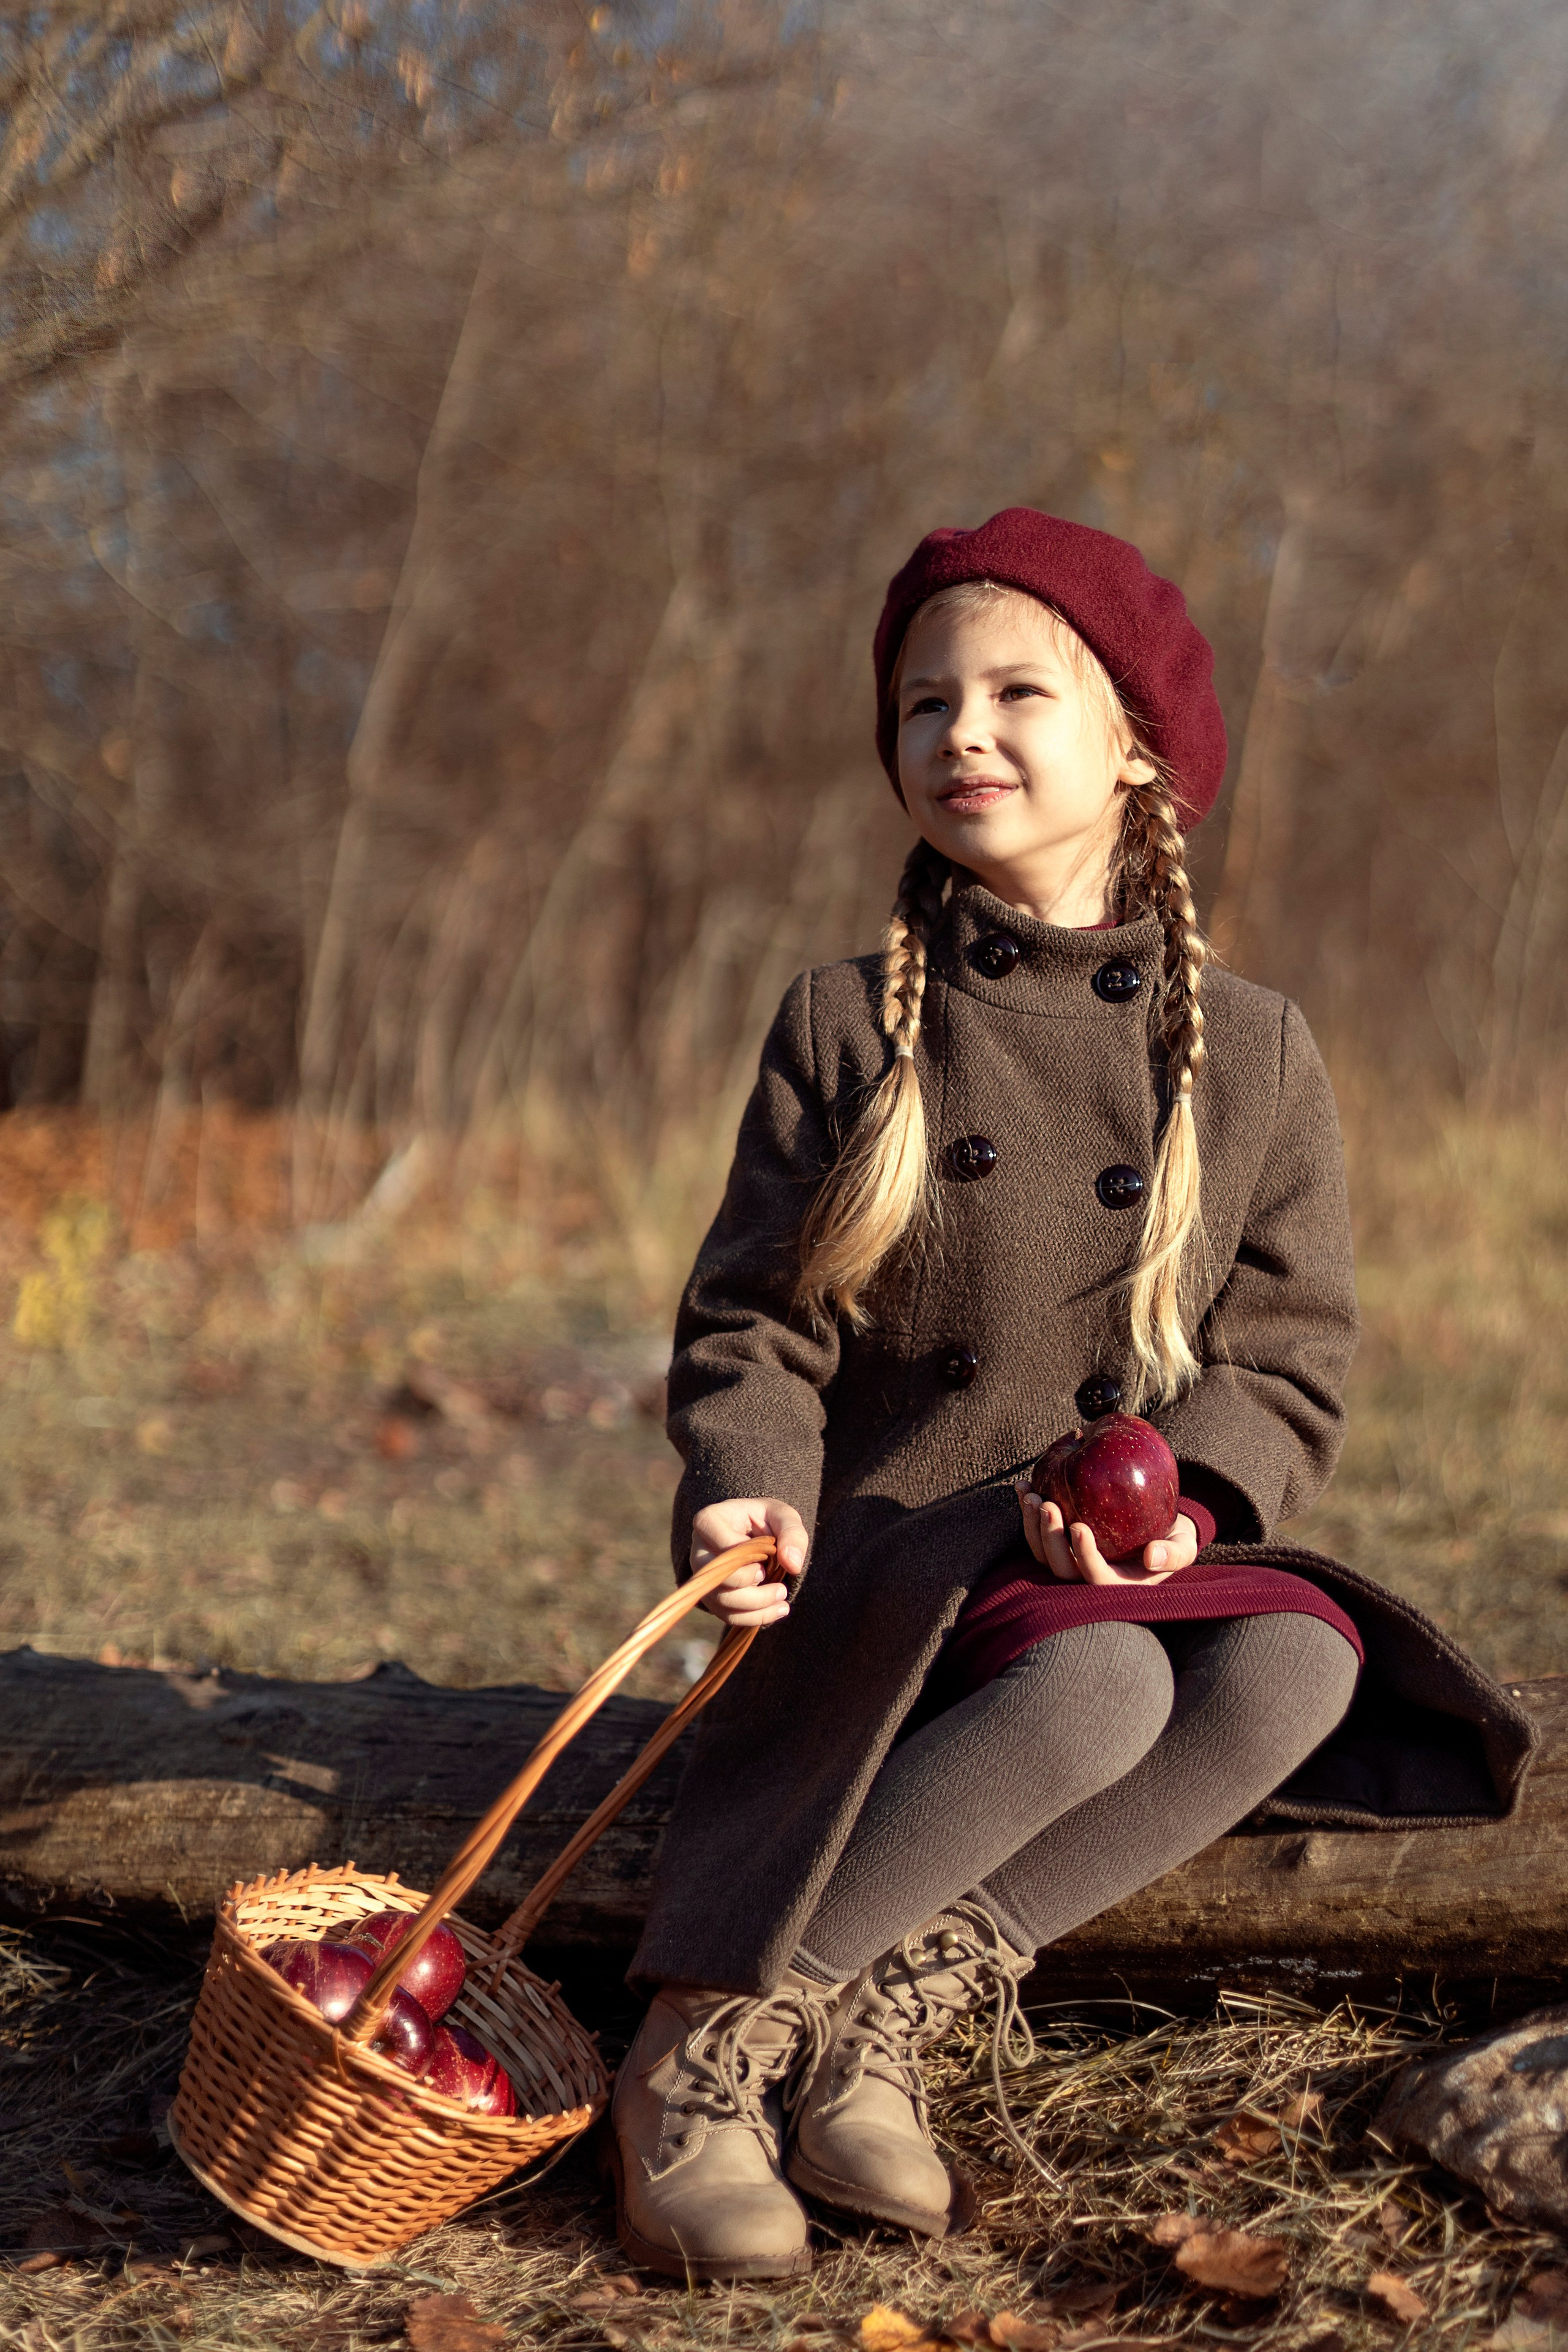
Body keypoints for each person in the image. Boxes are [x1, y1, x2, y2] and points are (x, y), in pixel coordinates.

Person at [605, 508, 1535, 2282]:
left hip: (1107, 1546)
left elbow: (1288, 1351)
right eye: (921, 704)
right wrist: (746, 1482)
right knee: (1102, 1683)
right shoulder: (849, 1026)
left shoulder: (1250, 1051)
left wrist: (1192, 1500)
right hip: (890, 1560)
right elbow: (754, 1324)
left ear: (1138, 750)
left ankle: (893, 2003)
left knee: (1304, 1655)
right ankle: (706, 2048)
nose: (961, 732)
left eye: (1018, 691)